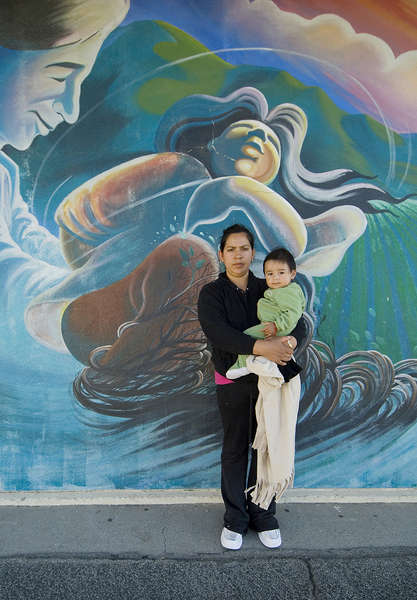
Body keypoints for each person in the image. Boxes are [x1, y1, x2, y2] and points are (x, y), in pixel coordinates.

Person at [197, 223, 307, 550]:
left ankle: (263, 514)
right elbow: (219, 334)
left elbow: (297, 319)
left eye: (244, 248)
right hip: (231, 379)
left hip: (268, 379)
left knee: (267, 445)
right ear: (221, 255)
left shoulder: (269, 285)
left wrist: (289, 341)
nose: (237, 255)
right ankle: (235, 518)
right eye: (231, 249)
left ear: (252, 252)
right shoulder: (212, 294)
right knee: (235, 447)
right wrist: (261, 348)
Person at [226, 247, 306, 380]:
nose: (275, 278)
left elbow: (294, 313)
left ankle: (243, 365)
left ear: (292, 274)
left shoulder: (288, 292)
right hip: (274, 327)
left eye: (281, 273)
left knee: (248, 336)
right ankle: (262, 365)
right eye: (270, 274)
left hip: (277, 328)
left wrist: (277, 326)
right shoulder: (278, 290)